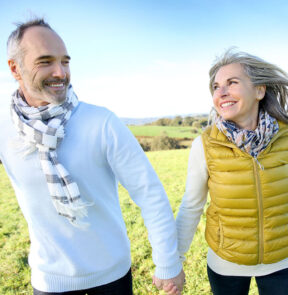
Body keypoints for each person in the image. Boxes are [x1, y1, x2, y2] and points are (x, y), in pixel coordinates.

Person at [0, 18, 185, 295]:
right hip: (49, 283)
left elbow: (150, 193)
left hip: (111, 279)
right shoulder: (5, 127)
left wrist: (167, 263)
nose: (60, 72)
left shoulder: (101, 122)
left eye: (65, 61)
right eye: (45, 61)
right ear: (15, 68)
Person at [176, 49, 288, 295]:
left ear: (260, 90)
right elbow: (192, 205)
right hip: (226, 266)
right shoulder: (204, 145)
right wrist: (175, 260)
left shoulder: (286, 137)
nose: (221, 92)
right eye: (216, 87)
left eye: (232, 83)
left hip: (283, 263)